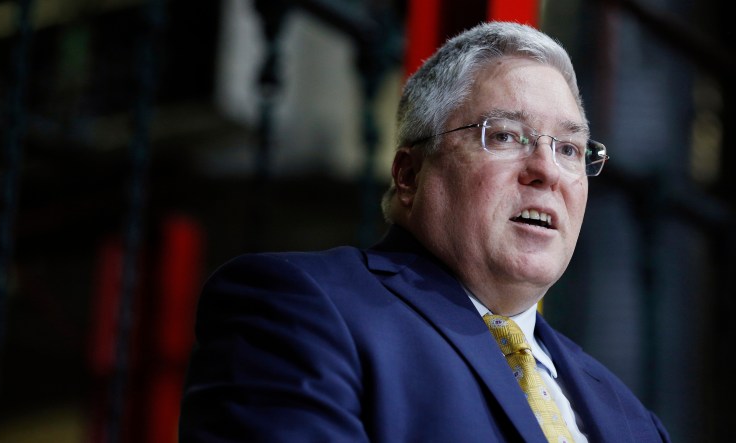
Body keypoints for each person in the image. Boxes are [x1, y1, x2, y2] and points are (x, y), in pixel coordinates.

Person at [179, 21, 670, 442]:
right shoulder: (299, 308)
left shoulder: (634, 420)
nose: (546, 169)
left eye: (568, 148)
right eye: (504, 135)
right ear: (410, 175)